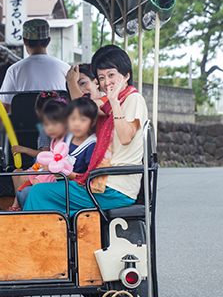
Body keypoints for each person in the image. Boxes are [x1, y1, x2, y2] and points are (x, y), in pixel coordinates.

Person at [24, 45, 147, 213]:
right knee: (49, 187)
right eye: (102, 77)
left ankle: (39, 238)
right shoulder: (110, 104)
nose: (106, 82)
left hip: (115, 187)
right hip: (103, 182)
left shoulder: (133, 99)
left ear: (126, 75)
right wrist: (71, 83)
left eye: (111, 75)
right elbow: (83, 109)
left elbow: (126, 137)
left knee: (39, 192)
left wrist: (114, 102)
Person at [10, 99, 69, 210]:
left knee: (36, 183)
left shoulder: (66, 141)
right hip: (46, 167)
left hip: (56, 172)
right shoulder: (53, 140)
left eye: (54, 123)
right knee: (21, 175)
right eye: (46, 124)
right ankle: (16, 207)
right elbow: (46, 156)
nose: (49, 128)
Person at [0, 19, 70, 112]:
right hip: (58, 124)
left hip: (24, 125)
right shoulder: (66, 68)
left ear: (24, 41)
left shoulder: (14, 70)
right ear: (48, 40)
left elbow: (5, 107)